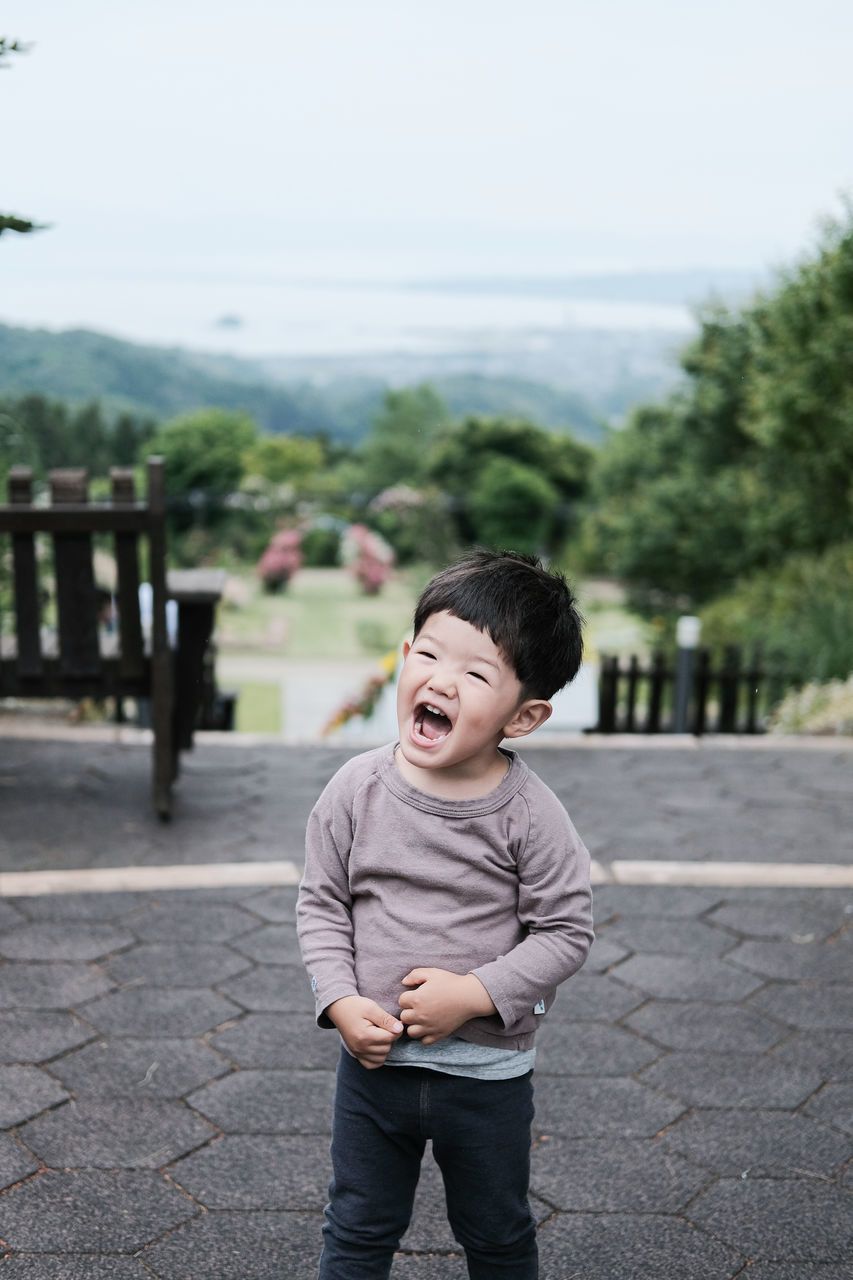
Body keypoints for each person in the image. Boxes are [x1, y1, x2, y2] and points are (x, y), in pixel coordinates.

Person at [297, 549, 594, 1279]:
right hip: (373, 1071)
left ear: (523, 716)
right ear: (403, 656)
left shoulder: (529, 814)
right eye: (427, 653)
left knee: (495, 1231)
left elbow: (565, 930)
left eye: (475, 673)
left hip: (486, 1077)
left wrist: (475, 994)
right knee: (357, 1227)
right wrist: (336, 999)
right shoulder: (354, 789)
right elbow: (323, 902)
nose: (439, 679)